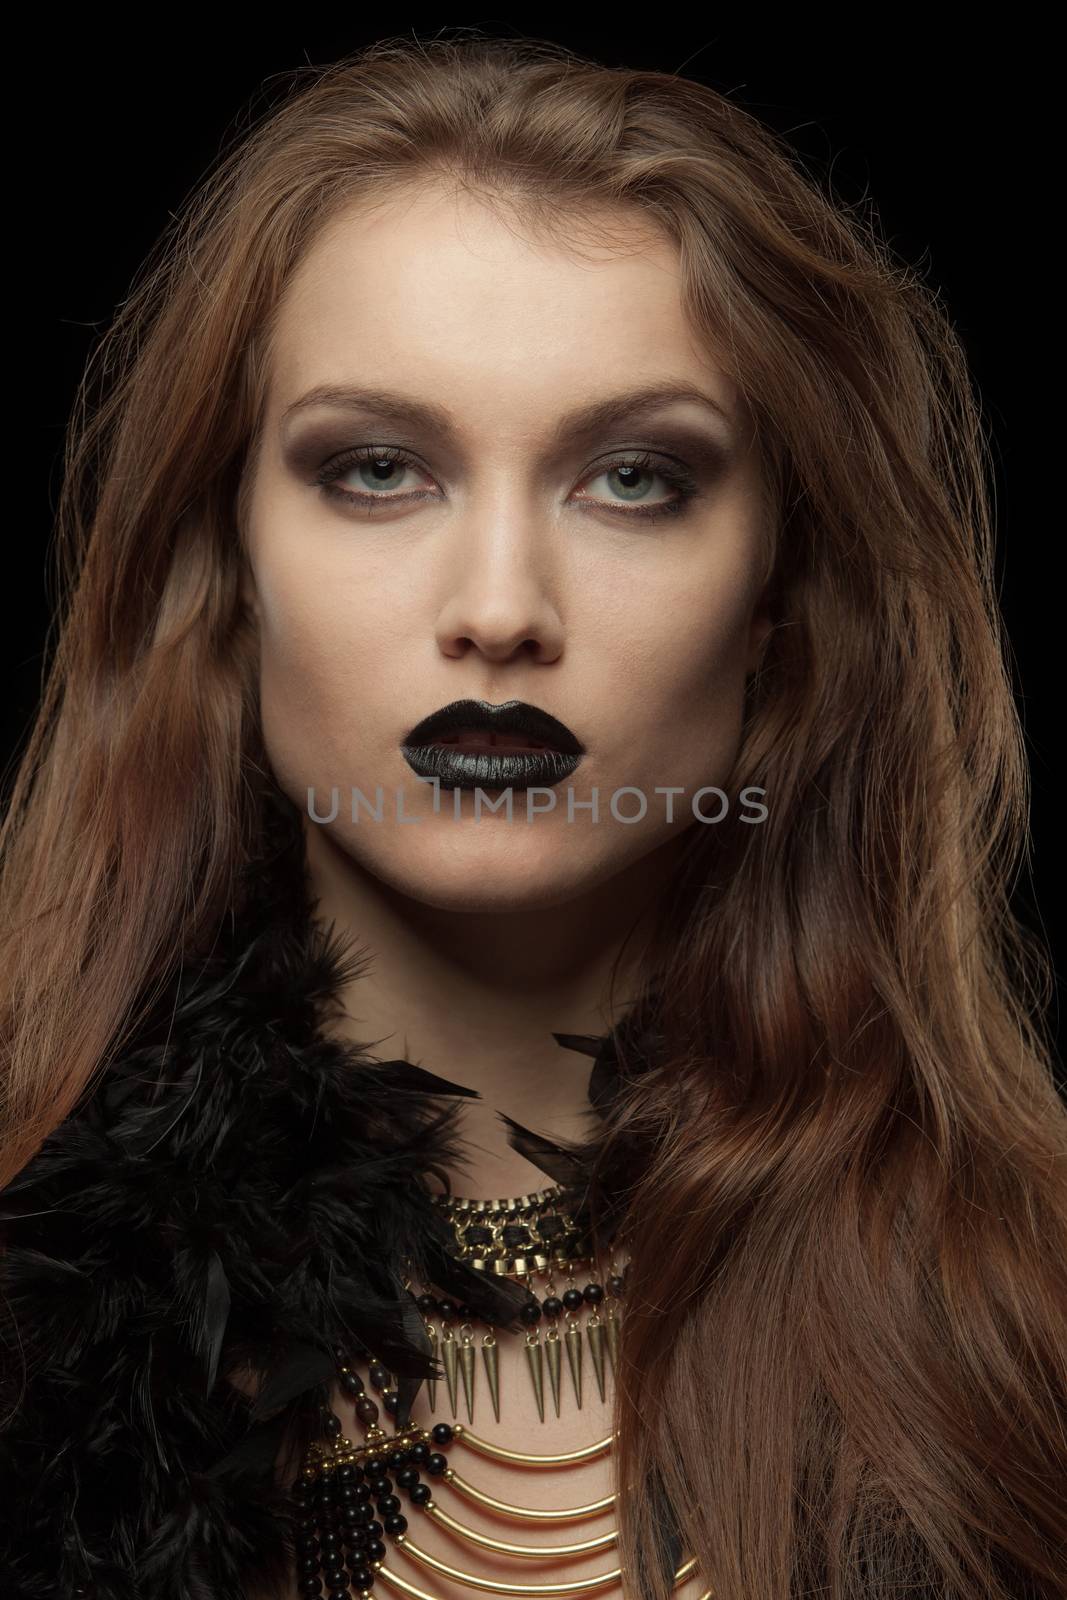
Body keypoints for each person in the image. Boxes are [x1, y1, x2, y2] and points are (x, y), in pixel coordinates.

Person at [1, 31, 1064, 1600]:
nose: (499, 610)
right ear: (221, 576)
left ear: (778, 601)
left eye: (634, 479)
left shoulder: (1031, 1327)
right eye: (376, 469)